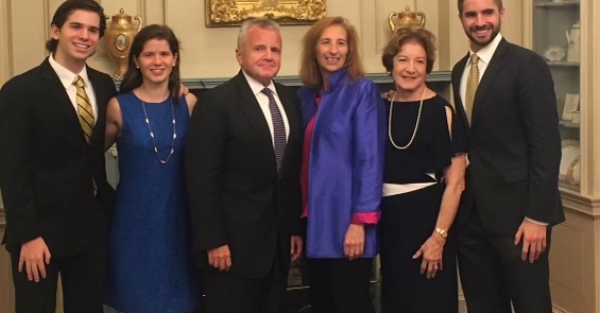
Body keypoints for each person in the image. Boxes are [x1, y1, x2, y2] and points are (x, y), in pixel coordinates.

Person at [451, 0, 564, 313]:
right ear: (461, 18)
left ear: (502, 13)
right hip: (472, 221)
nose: (480, 21)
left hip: (520, 220)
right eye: (471, 14)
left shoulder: (527, 65)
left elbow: (546, 145)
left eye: (488, 12)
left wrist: (538, 217)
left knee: (531, 306)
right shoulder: (460, 70)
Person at [0, 0, 117, 313]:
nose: (85, 35)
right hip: (40, 233)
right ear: (55, 30)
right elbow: (12, 169)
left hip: (91, 228)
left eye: (93, 30)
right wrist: (27, 236)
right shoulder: (20, 91)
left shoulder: (104, 85)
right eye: (76, 26)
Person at [184, 17, 303, 313]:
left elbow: (288, 176)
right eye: (259, 48)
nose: (268, 56)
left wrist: (292, 230)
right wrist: (213, 240)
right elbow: (201, 178)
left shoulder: (290, 100)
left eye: (275, 50)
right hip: (231, 248)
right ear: (239, 55)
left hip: (277, 246)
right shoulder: (216, 103)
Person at [103, 24, 199, 313]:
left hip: (179, 219)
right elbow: (89, 158)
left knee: (178, 300)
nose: (157, 62)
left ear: (175, 59)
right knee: (136, 300)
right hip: (134, 221)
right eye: (148, 55)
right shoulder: (118, 106)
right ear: (136, 61)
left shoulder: (190, 103)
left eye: (164, 54)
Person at [297, 16, 386, 313]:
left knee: (350, 304)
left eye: (341, 43)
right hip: (312, 222)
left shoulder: (362, 91)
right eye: (326, 42)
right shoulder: (304, 97)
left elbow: (369, 160)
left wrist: (360, 223)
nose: (333, 50)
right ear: (314, 49)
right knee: (322, 304)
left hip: (346, 222)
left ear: (350, 51)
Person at [379, 27, 467, 312]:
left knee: (428, 302)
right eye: (403, 59)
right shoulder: (381, 106)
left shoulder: (442, 111)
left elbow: (456, 184)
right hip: (389, 223)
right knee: (396, 302)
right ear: (391, 63)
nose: (410, 68)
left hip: (427, 222)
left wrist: (438, 238)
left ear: (427, 67)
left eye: (419, 61)